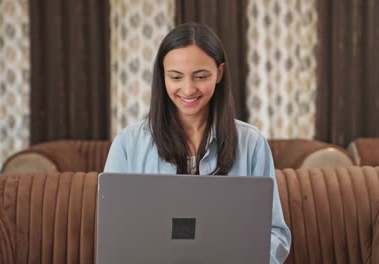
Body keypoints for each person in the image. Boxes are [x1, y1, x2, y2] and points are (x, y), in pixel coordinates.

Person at [103, 22, 291, 263]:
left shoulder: (251, 143)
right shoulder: (128, 144)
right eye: (175, 77)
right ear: (162, 76)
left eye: (200, 76)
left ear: (219, 73)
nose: (188, 89)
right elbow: (114, 235)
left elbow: (275, 234)